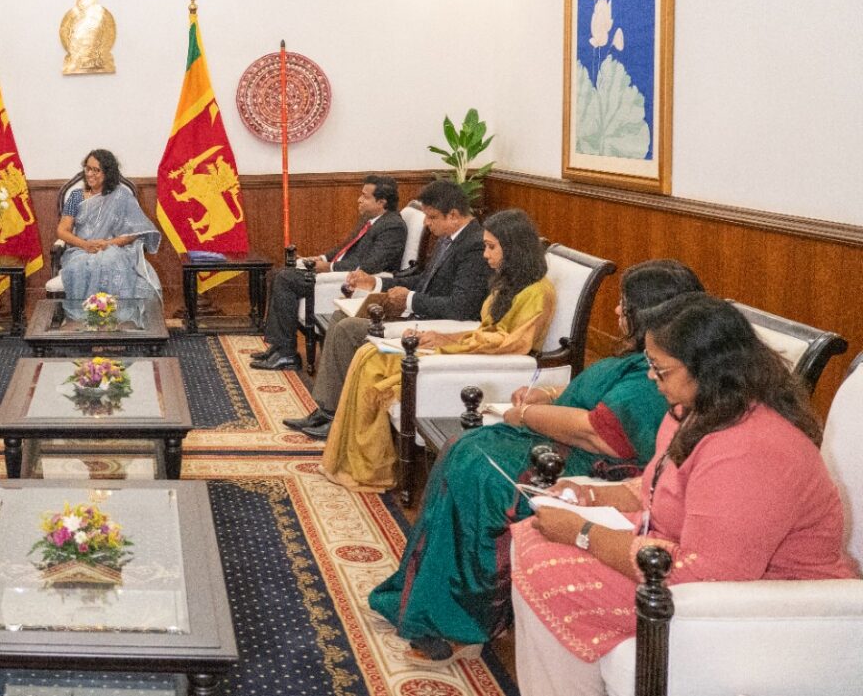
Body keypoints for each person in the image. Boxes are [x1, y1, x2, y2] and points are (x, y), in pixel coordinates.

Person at [511, 294, 855, 695]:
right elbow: (658, 487)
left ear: (708, 368)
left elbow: (705, 573)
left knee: (550, 567)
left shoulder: (753, 449)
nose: (651, 377)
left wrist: (582, 533)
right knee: (536, 534)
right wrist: (588, 496)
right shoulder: (695, 411)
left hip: (764, 606)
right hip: (687, 562)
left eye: (661, 368)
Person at [369, 260, 705, 664]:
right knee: (463, 448)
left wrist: (525, 416)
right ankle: (419, 600)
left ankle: (464, 623)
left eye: (625, 304)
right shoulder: (643, 359)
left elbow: (600, 433)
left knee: (481, 472)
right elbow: (594, 397)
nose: (618, 311)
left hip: (597, 463)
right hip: (566, 445)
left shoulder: (655, 373)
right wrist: (548, 395)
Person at [320, 208, 555, 492]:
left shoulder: (538, 292)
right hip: (472, 349)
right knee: (369, 354)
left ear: (514, 249)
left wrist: (448, 342)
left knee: (372, 363)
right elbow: (485, 330)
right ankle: (354, 460)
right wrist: (441, 337)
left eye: (491, 247)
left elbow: (511, 343)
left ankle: (369, 468)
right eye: (485, 246)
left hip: (484, 361)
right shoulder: (508, 283)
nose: (485, 255)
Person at [290, 179, 492, 438]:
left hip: (435, 324)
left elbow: (461, 306)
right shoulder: (448, 238)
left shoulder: (474, 246)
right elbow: (423, 279)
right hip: (420, 312)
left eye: (431, 217)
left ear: (453, 215)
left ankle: (333, 416)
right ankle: (329, 410)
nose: (426, 224)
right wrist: (376, 283)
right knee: (341, 316)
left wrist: (409, 300)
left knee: (348, 329)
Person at [251, 174, 407, 371]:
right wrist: (321, 258)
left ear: (381, 202)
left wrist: (328, 267)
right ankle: (278, 347)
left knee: (285, 278)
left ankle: (287, 355)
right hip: (335, 273)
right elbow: (344, 248)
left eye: (365, 196)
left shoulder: (393, 226)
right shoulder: (369, 219)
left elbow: (370, 266)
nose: (359, 199)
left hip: (348, 280)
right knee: (277, 273)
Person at [55, 148, 163, 319]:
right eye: (87, 168)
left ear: (108, 173)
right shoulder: (76, 196)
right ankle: (89, 319)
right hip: (81, 250)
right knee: (80, 266)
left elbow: (134, 232)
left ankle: (116, 319)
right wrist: (85, 245)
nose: (90, 174)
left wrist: (108, 244)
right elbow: (62, 230)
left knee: (109, 260)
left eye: (96, 170)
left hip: (114, 248)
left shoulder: (121, 196)